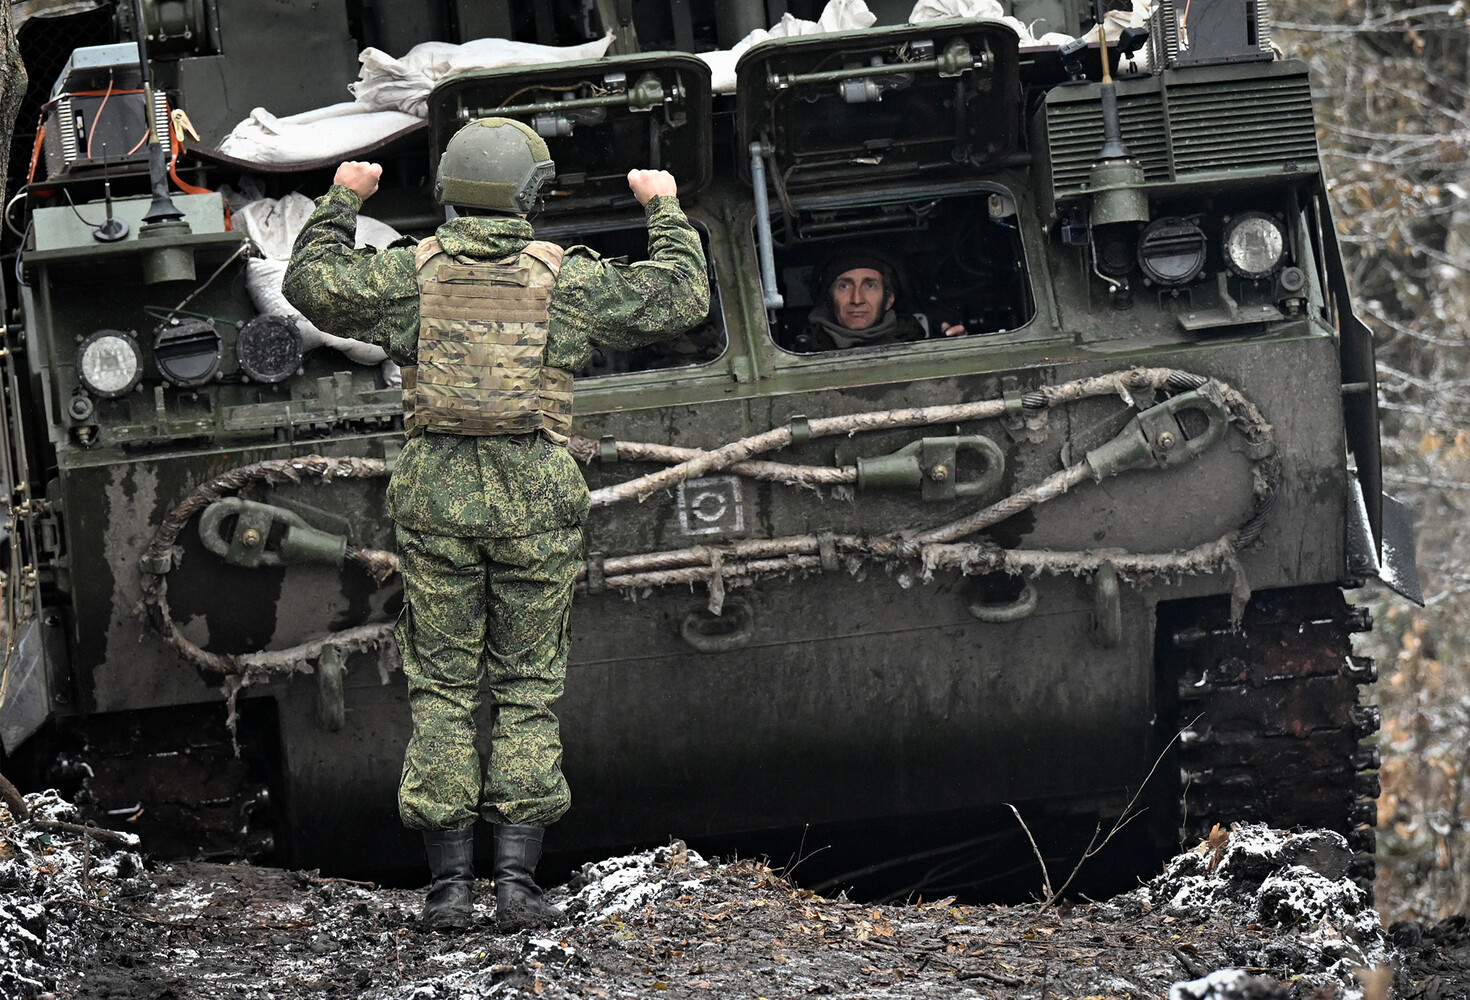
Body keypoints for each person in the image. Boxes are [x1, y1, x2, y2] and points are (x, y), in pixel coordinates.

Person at [282, 118, 709, 933]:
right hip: (535, 492)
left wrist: (343, 197)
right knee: (527, 685)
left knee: (440, 686)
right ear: (529, 195)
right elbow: (681, 296)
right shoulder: (567, 281)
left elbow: (312, 283)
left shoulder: (410, 274)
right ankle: (515, 883)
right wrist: (663, 207)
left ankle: (447, 891)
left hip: (437, 489)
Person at [797, 253, 964, 352]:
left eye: (870, 285)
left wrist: (956, 349)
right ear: (829, 299)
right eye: (844, 286)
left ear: (889, 300)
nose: (857, 299)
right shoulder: (801, 354)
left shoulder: (916, 343)